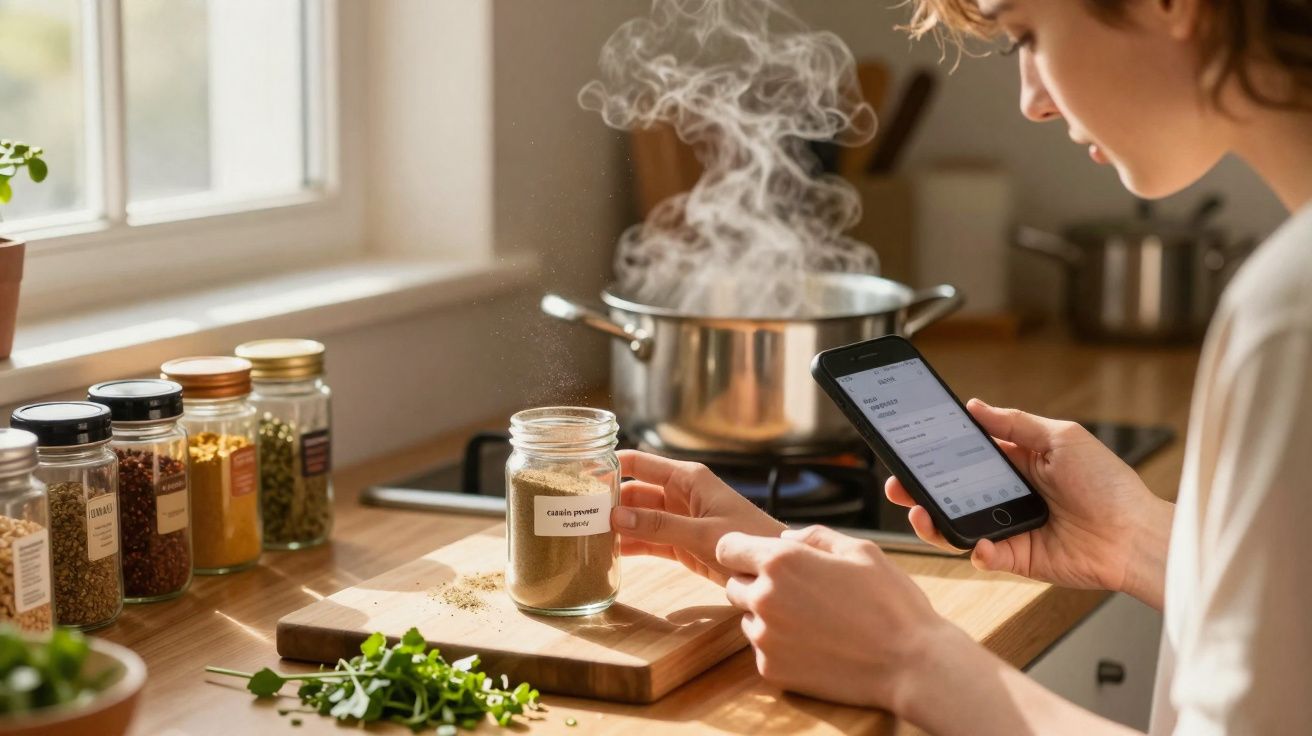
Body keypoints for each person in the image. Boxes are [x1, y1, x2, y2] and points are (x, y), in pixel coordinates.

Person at [608, 0, 1312, 733]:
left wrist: (909, 657)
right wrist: (1135, 540)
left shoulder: (1291, 315)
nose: (1032, 101)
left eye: (1028, 38)